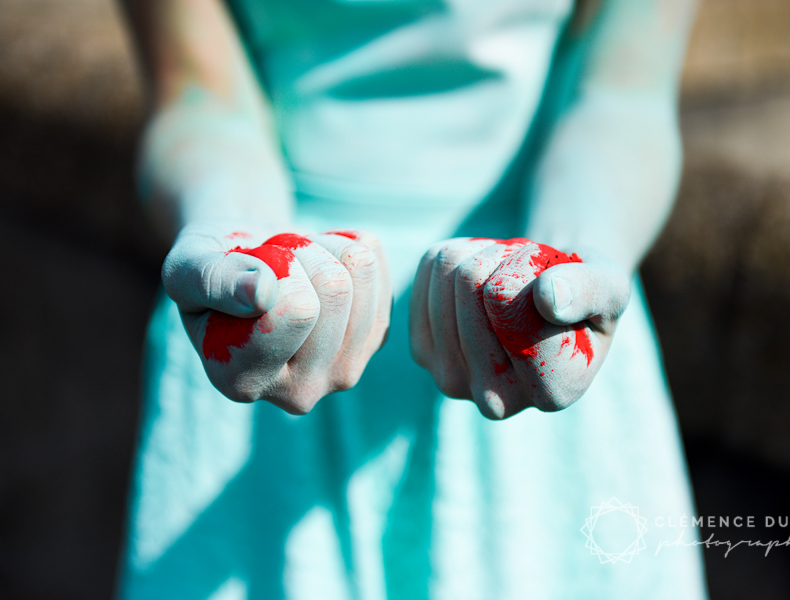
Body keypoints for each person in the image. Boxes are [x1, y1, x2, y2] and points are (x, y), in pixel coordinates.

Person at [118, 0, 707, 597]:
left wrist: (576, 260)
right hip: (267, 318)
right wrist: (233, 234)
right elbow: (198, 97)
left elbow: (620, 93)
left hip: (529, 319)